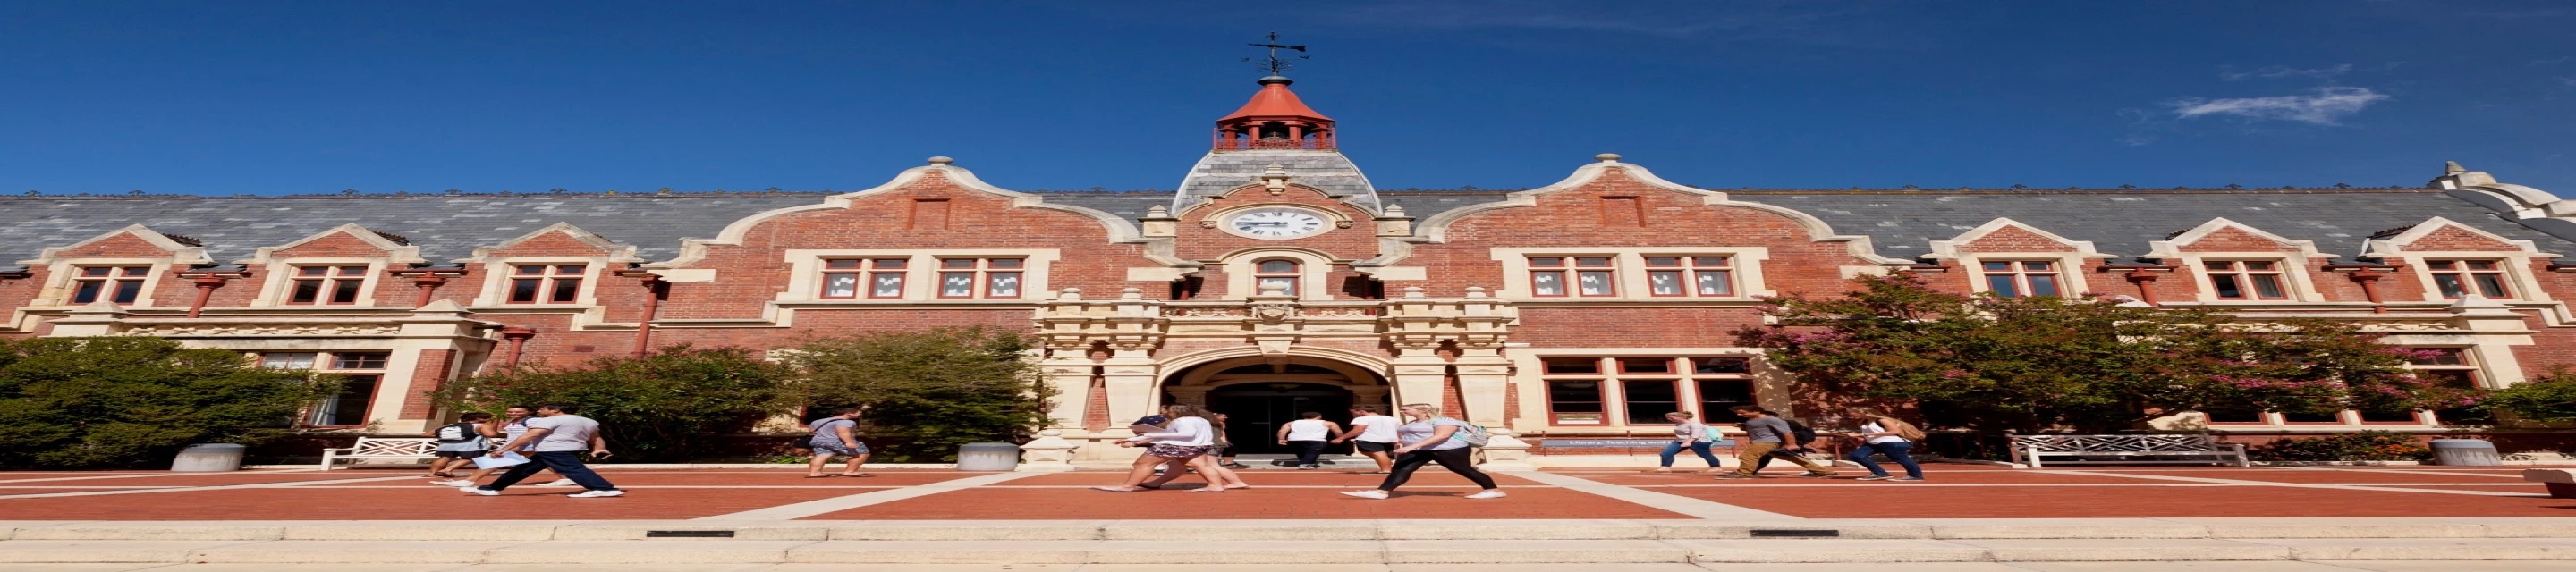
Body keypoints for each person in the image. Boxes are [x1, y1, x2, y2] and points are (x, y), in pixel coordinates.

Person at [1338, 403, 1504, 500]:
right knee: (1402, 469)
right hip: (1420, 450)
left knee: (1463, 470)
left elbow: (1441, 436)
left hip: (1447, 450)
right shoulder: (1413, 421)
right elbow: (1409, 433)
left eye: (1407, 409)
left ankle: (1494, 490)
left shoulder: (1444, 420)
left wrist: (1411, 446)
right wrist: (1401, 441)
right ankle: (1381, 492)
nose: (1403, 412)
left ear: (1423, 410)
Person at [462, 404, 623, 498]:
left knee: (574, 470)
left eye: (544, 409)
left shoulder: (551, 420)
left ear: (555, 410)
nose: (540, 410)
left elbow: (532, 434)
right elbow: (596, 438)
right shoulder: (589, 421)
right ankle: (493, 488)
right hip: (559, 450)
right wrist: (599, 448)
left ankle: (604, 488)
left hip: (554, 449)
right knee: (522, 470)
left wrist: (505, 449)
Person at [1095, 404, 1237, 492]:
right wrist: (1133, 439)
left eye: (1169, 411)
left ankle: (1127, 486)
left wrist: (1136, 439)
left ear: (1176, 411)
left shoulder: (1181, 420)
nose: (1167, 413)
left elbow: (1186, 434)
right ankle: (1215, 485)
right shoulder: (1202, 420)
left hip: (1174, 446)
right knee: (1203, 465)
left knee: (1143, 464)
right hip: (1197, 446)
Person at [432, 406, 580, 488]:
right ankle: (565, 477)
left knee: (494, 460)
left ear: (528, 412)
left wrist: (515, 446)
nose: (513, 413)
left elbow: (533, 433)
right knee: (545, 462)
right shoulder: (513, 422)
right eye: (511, 411)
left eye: (518, 411)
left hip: (525, 446)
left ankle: (470, 480)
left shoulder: (531, 420)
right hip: (521, 446)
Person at [1722, 405, 1834, 479]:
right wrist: (1741, 425)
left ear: (1756, 411)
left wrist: (1792, 444)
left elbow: (1787, 432)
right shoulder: (1752, 420)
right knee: (1792, 458)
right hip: (1761, 442)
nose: (1740, 415)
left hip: (1767, 442)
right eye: (1739, 413)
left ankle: (1743, 473)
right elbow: (1758, 428)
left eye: (1742, 413)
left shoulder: (1772, 419)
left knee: (1747, 456)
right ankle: (1823, 472)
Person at [1844, 407, 1926, 482]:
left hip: (1892, 442)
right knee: (1856, 455)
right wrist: (1860, 439)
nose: (1851, 416)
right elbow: (1873, 434)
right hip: (1874, 443)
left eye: (1852, 414)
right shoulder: (1864, 422)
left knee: (1901, 459)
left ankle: (1916, 475)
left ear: (1863, 413)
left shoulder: (1882, 420)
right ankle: (1880, 473)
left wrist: (1863, 435)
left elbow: (1896, 431)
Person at [805, 407, 871, 478]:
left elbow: (812, 431)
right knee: (862, 453)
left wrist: (826, 435)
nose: (860, 414)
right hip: (837, 441)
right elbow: (843, 432)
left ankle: (815, 473)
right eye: (858, 413)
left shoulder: (817, 421)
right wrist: (849, 442)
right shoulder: (846, 422)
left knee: (822, 455)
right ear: (848, 414)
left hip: (819, 441)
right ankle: (850, 471)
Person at [1332, 405, 1399, 474]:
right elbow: (1400, 429)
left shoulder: (1361, 419)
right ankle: (1387, 465)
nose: (1354, 414)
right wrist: (1399, 439)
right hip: (1388, 440)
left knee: (1378, 454)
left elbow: (1358, 430)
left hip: (1369, 439)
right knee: (1377, 454)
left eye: (1354, 412)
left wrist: (1341, 438)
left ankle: (1386, 470)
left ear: (1361, 411)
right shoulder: (1393, 419)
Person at [425, 412, 493, 478]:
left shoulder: (449, 425)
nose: (489, 420)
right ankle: (447, 469)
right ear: (479, 419)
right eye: (487, 418)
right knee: (471, 458)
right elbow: (490, 434)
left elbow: (427, 434)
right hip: (469, 446)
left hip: (446, 445)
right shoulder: (480, 425)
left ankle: (432, 473)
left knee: (444, 458)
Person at [1655, 411, 1724, 472]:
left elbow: (1695, 435)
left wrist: (1688, 442)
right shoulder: (1678, 424)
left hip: (1699, 441)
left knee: (1705, 455)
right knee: (1666, 453)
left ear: (1679, 417)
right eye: (1668, 418)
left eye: (1671, 418)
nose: (1669, 419)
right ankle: (1665, 467)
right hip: (1680, 441)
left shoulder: (1695, 425)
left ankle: (1716, 467)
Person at [1275, 411, 1344, 469]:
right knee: (1312, 453)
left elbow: (1282, 431)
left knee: (1301, 451)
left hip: (1294, 440)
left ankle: (1304, 461)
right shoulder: (1328, 423)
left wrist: (1281, 439)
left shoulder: (1291, 423)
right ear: (1319, 416)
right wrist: (1339, 438)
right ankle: (1305, 463)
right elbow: (1338, 432)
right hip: (1316, 440)